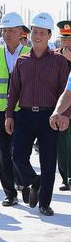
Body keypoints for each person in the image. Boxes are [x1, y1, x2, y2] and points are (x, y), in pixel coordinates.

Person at [5, 12, 70, 217]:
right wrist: (8, 114)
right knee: (17, 156)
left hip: (49, 117)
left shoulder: (59, 61)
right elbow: (13, 89)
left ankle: (45, 203)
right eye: (35, 32)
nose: (37, 36)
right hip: (24, 116)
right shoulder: (22, 61)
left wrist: (64, 114)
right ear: (30, 33)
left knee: (49, 160)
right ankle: (35, 181)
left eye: (42, 32)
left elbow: (65, 91)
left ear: (49, 36)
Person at [0, 12, 31, 206]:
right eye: (4, 30)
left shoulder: (29, 53)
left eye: (12, 30)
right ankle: (10, 193)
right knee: (3, 154)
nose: (7, 34)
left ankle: (24, 183)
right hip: (1, 111)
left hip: (22, 112)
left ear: (21, 32)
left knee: (18, 152)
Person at [54, 20, 71, 191]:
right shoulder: (55, 56)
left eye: (69, 39)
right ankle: (65, 177)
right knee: (62, 145)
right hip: (60, 107)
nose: (65, 43)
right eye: (63, 39)